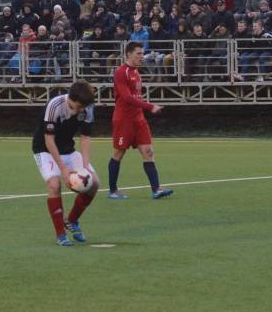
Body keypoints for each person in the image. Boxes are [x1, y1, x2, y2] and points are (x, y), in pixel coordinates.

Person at [31, 81, 99, 246]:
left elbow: (85, 138)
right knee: (54, 185)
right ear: (70, 98)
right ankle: (60, 234)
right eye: (77, 106)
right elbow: (49, 140)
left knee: (94, 183)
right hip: (45, 150)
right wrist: (64, 170)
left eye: (83, 107)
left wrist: (85, 167)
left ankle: (72, 220)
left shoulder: (88, 107)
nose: (80, 110)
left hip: (68, 149)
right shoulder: (54, 106)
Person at [107, 42, 174, 200]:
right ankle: (113, 190)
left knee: (148, 152)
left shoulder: (137, 73)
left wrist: (143, 108)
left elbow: (136, 96)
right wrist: (150, 106)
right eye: (138, 53)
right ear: (128, 54)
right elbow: (126, 97)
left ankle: (156, 189)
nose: (141, 56)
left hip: (138, 119)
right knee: (119, 153)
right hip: (124, 120)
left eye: (142, 53)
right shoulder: (120, 72)